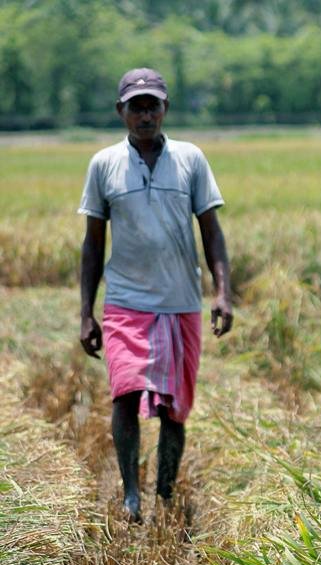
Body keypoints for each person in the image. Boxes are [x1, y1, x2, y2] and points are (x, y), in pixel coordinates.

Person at [78, 67, 233, 522]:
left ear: (166, 109)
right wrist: (86, 312)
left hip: (181, 301)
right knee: (125, 393)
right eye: (136, 107)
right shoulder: (104, 164)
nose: (145, 115)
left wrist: (223, 292)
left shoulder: (191, 159)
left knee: (175, 407)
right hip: (126, 301)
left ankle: (164, 489)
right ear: (120, 111)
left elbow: (212, 231)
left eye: (153, 105)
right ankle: (131, 493)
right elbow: (92, 242)